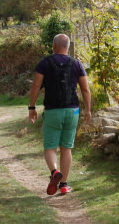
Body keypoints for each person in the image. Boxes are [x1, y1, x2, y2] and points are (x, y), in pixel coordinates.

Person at [28, 34, 92, 195]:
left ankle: (54, 172)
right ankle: (63, 184)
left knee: (50, 147)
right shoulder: (77, 64)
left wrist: (32, 107)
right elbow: (85, 89)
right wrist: (88, 110)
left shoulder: (45, 63)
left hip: (52, 110)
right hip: (73, 111)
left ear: (54, 46)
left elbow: (36, 85)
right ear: (68, 46)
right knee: (66, 148)